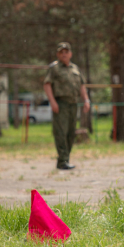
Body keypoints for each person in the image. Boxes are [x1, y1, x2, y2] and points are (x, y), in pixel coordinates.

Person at [43, 42, 90, 170]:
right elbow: (47, 84)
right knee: (61, 132)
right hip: (61, 103)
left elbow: (82, 86)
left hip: (73, 103)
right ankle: (62, 160)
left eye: (66, 52)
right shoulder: (54, 68)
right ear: (58, 54)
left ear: (70, 54)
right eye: (61, 52)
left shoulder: (75, 68)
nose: (64, 54)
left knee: (70, 132)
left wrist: (86, 100)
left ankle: (65, 159)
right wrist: (52, 101)